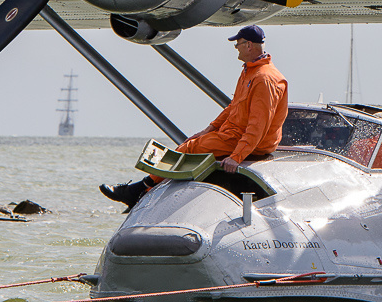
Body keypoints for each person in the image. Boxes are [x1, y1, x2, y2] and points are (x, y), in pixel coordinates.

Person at [100, 25, 289, 208]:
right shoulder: (250, 71)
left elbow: (258, 125)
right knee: (191, 142)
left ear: (249, 45)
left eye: (237, 44)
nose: (236, 49)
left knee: (191, 148)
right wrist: (210, 128)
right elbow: (234, 107)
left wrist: (236, 157)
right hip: (234, 133)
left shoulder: (264, 79)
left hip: (251, 142)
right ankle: (144, 187)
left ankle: (139, 189)